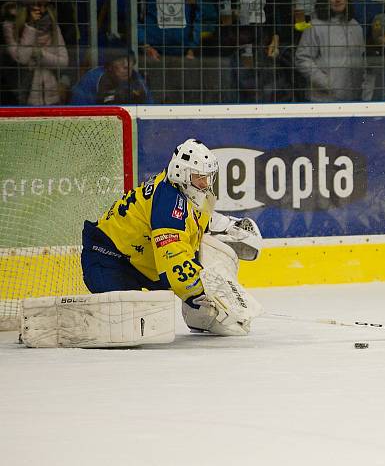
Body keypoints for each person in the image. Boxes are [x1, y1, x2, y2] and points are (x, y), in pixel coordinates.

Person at [80, 138, 263, 337]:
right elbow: (173, 261)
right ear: (181, 173)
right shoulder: (168, 201)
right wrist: (205, 295)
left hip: (139, 261)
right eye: (199, 177)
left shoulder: (186, 190)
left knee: (204, 250)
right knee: (130, 327)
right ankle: (200, 312)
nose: (205, 184)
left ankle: (200, 318)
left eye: (208, 177)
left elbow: (194, 223)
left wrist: (227, 226)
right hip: (108, 258)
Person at [295, 0, 372, 102]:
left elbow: (362, 61)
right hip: (324, 99)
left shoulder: (356, 26)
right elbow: (302, 59)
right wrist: (326, 83)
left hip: (353, 98)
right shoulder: (315, 26)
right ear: (325, 0)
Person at [2, 0, 69, 105]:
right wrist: (31, 26)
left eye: (45, 5)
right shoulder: (11, 27)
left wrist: (41, 55)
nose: (42, 10)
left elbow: (64, 61)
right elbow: (22, 58)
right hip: (22, 96)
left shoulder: (53, 27)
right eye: (37, 5)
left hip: (50, 96)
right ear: (27, 5)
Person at [70, 43, 154, 104]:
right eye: (120, 60)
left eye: (130, 60)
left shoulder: (138, 79)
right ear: (109, 65)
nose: (126, 65)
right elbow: (77, 112)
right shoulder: (93, 78)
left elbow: (150, 112)